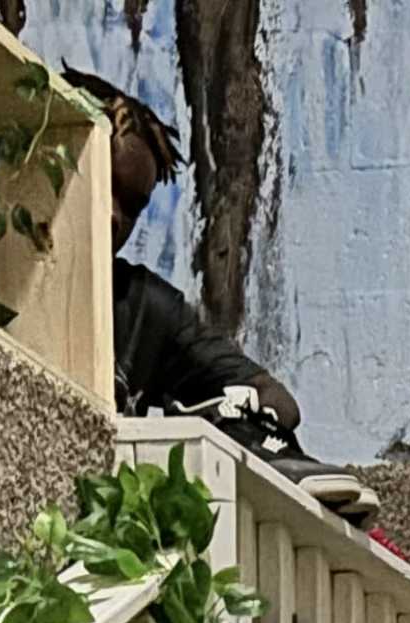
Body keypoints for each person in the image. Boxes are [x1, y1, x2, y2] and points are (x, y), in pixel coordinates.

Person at [64, 70, 302, 431]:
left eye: (132, 206)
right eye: (102, 182)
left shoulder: (145, 307)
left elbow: (275, 399)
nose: (114, 216)